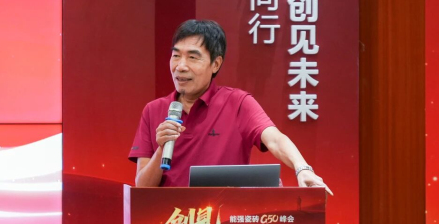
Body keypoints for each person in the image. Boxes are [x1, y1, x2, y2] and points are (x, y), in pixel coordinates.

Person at [129, 19, 332, 194]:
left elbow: (275, 140)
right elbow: (142, 188)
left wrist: (302, 168)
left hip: (225, 221)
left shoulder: (237, 102)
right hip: (171, 222)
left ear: (216, 64)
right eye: (176, 56)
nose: (180, 66)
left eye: (192, 57)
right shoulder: (153, 110)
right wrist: (162, 148)